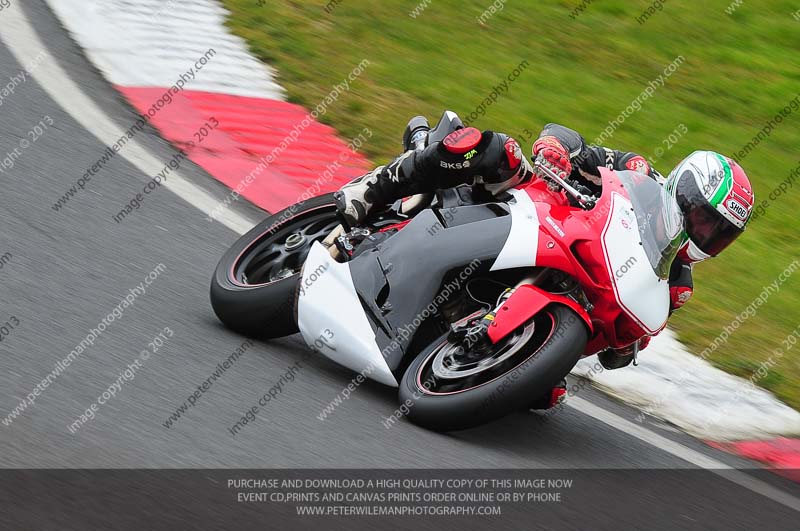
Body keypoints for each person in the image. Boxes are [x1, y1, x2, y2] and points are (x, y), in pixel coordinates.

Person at [334, 112, 755, 388]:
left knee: (543, 397)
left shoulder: (675, 283)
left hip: (567, 285)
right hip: (532, 211)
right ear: (683, 191)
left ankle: (479, 352)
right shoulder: (638, 173)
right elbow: (571, 139)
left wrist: (627, 345)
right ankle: (373, 189)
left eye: (718, 233)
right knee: (495, 149)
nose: (704, 233)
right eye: (704, 218)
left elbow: (619, 348)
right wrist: (556, 149)